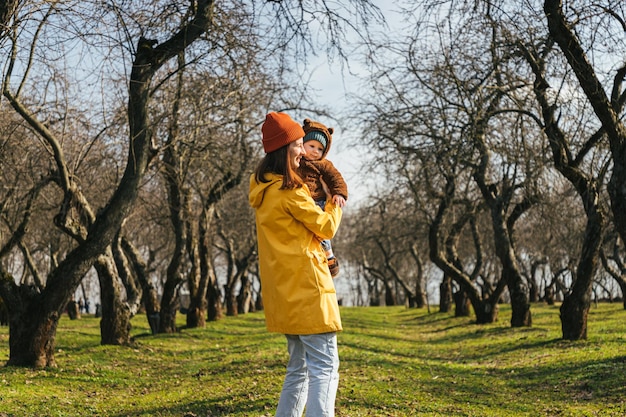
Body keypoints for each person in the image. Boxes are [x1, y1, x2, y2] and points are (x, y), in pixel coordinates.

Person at [249, 111, 343, 417]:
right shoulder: (289, 192)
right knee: (325, 368)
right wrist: (334, 200)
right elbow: (326, 227)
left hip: (285, 295)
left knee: (298, 369)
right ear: (285, 150)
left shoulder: (262, 189)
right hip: (308, 291)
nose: (304, 151)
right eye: (299, 146)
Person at [298, 118, 348, 277]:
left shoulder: (324, 164)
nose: (315, 151)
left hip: (318, 200)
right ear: (301, 144)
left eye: (320, 149)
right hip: (301, 199)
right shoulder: (295, 161)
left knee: (320, 230)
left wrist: (339, 193)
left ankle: (329, 255)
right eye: (311, 146)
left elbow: (336, 178)